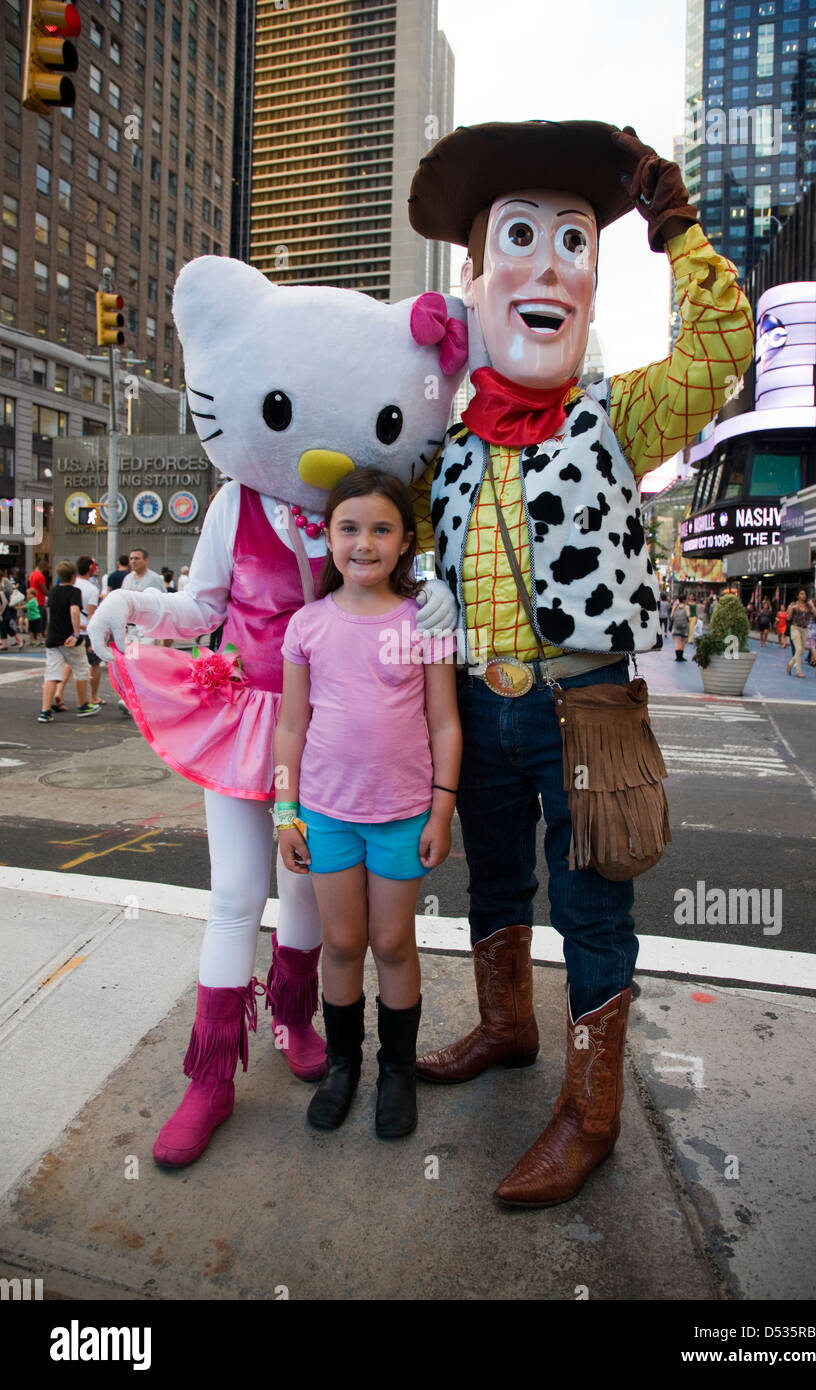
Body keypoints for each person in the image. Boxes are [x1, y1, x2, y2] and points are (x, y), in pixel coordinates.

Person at [407, 118, 754, 1206]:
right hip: (478, 707)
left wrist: (676, 229)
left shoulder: (617, 414)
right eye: (519, 238)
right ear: (473, 279)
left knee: (594, 907)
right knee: (496, 879)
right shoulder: (447, 447)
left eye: (572, 242)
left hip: (586, 707)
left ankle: (589, 1113)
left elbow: (718, 352)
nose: (549, 265)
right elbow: (358, 519)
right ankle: (506, 1028)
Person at [87, 258, 466, 1167]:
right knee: (233, 896)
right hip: (248, 717)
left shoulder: (370, 527)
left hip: (328, 745)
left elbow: (410, 631)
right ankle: (210, 1078)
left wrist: (442, 601)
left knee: (310, 899)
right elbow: (201, 607)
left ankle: (303, 1026)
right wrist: (134, 608)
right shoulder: (236, 503)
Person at [275, 470, 461, 1138]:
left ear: (406, 541)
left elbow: (444, 722)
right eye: (348, 527)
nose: (364, 542)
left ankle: (398, 1071)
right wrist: (284, 813)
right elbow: (291, 727)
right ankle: (343, 1066)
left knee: (391, 940)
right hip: (324, 814)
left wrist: (441, 810)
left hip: (405, 814)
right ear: (326, 537)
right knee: (345, 942)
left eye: (381, 528)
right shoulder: (307, 626)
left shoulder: (426, 621)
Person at [38, 561, 100, 722]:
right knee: (81, 670)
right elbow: (74, 611)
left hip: (53, 638)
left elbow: (51, 612)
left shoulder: (53, 592)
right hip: (69, 639)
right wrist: (76, 633)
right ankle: (82, 705)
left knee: (51, 674)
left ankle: (45, 711)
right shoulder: (74, 591)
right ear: (73, 577)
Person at [56, 557, 104, 708]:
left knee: (68, 665)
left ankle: (59, 692)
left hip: (69, 630)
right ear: (90, 569)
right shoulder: (92, 589)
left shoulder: (68, 585)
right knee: (94, 665)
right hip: (85, 632)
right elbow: (92, 615)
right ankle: (93, 697)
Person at [785, 590, 816, 678]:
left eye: (805, 593)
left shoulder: (808, 606)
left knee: (802, 650)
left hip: (804, 629)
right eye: (801, 594)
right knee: (798, 649)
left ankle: (790, 664)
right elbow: (788, 618)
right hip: (795, 628)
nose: (804, 595)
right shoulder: (793, 605)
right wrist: (791, 609)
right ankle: (799, 672)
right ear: (798, 595)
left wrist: (812, 605)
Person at [670, 593, 690, 660]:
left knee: (677, 641)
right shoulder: (687, 607)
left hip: (676, 626)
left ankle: (677, 657)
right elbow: (688, 615)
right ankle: (681, 657)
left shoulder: (675, 606)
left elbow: (671, 616)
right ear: (684, 600)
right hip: (684, 626)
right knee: (683, 641)